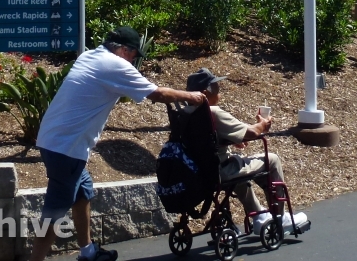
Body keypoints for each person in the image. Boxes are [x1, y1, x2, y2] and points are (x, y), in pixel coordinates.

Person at [31, 27, 208, 261]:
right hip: (66, 147)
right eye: (134, 55)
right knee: (54, 212)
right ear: (125, 50)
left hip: (52, 138)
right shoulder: (115, 65)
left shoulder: (89, 55)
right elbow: (157, 94)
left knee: (83, 189)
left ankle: (88, 252)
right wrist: (191, 96)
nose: (134, 61)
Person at [183, 68, 295, 234]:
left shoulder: (184, 113)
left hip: (198, 171)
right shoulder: (212, 112)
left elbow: (206, 139)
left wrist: (229, 141)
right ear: (205, 93)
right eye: (217, 88)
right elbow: (251, 133)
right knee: (272, 159)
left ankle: (258, 215)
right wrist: (263, 125)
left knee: (239, 168)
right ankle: (280, 217)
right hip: (220, 170)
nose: (219, 92)